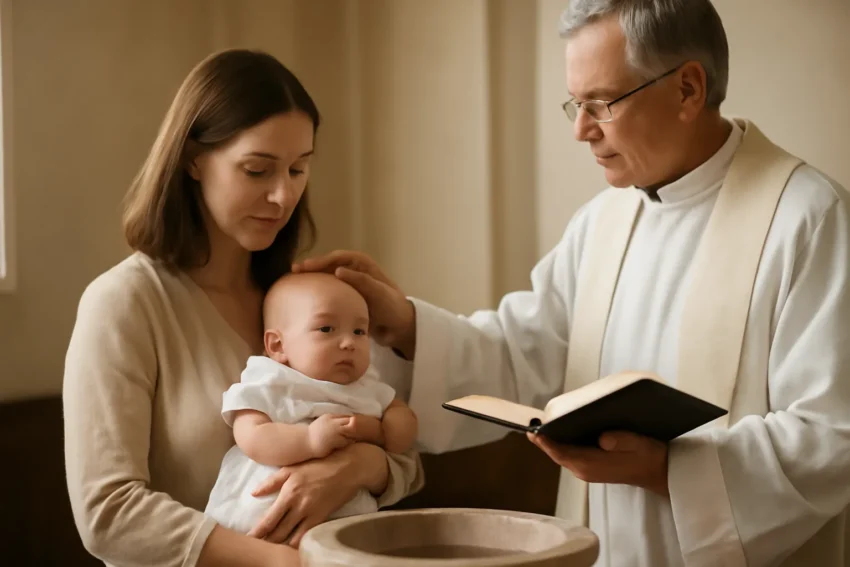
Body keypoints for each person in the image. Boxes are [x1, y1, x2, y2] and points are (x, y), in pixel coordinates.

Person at [293, 1, 850, 566]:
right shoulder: (603, 220)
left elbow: (832, 436)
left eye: (601, 103)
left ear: (687, 89)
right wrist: (405, 326)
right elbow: (523, 356)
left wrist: (666, 468)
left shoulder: (808, 218)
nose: (582, 130)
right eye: (575, 105)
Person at [62, 49, 423, 567]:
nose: (283, 195)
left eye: (299, 169)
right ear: (192, 159)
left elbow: (405, 459)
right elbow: (109, 513)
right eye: (258, 170)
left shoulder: (307, 299)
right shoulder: (125, 304)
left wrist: (357, 467)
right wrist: (282, 561)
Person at [204, 272, 419, 534]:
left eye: (359, 331)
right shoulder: (272, 379)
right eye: (326, 329)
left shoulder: (367, 387)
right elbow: (251, 435)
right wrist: (309, 440)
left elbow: (398, 422)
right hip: (258, 523)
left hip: (344, 530)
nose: (349, 342)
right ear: (278, 345)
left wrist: (389, 429)